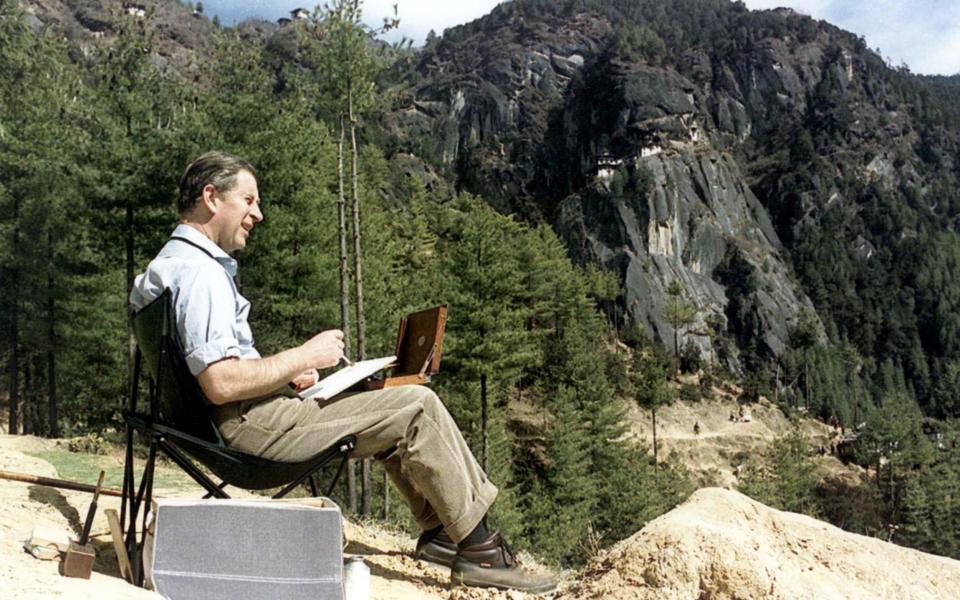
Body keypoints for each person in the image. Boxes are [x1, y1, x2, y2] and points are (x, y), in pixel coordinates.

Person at [129, 151, 555, 594]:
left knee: (387, 403)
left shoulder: (170, 265)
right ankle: (482, 553)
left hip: (233, 423)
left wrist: (283, 378)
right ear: (211, 197)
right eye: (249, 200)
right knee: (416, 405)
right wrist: (304, 355)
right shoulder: (202, 275)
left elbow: (218, 374)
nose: (258, 213)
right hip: (250, 433)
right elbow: (220, 384)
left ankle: (443, 534)